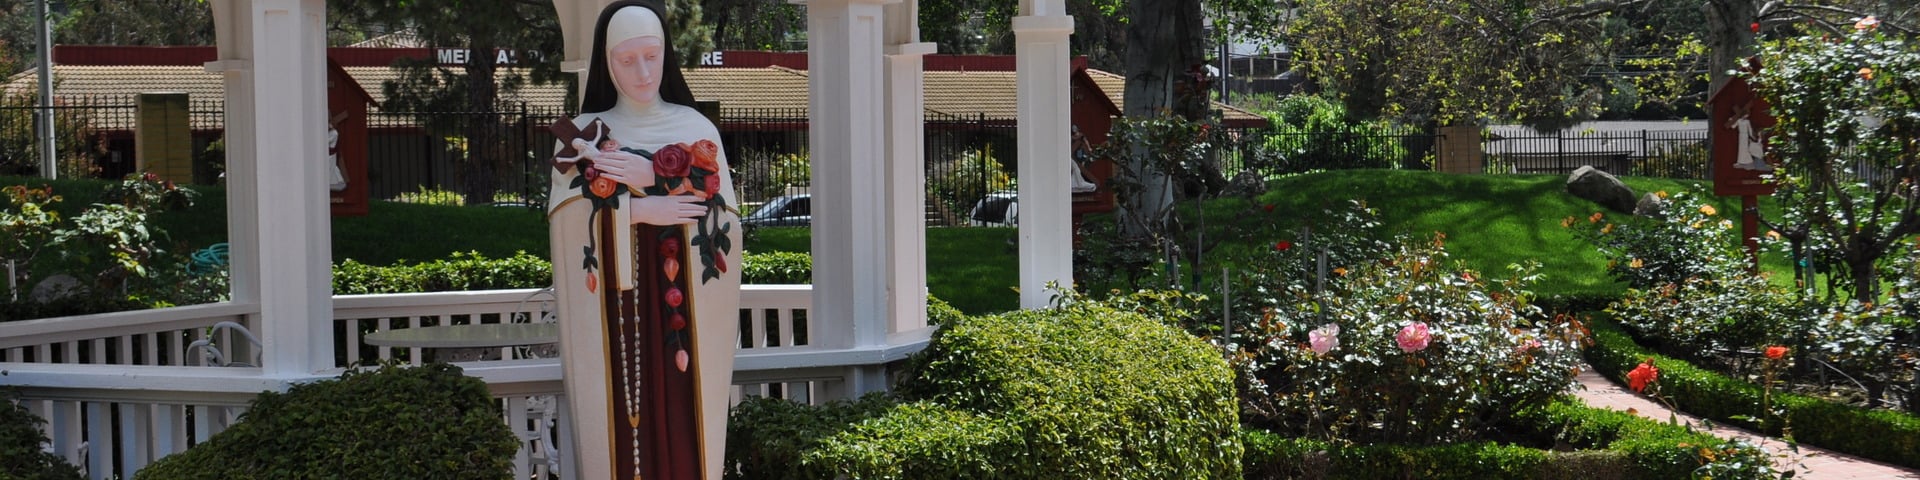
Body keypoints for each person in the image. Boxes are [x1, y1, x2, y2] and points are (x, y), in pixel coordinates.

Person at [546, 2, 742, 479]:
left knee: (683, 413)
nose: (643, 72)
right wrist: (636, 212)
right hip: (615, 311)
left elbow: (726, 220)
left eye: (652, 57)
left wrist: (654, 175)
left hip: (683, 309)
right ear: (607, 62)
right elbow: (566, 223)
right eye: (627, 60)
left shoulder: (696, 129)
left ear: (666, 56)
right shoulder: (585, 136)